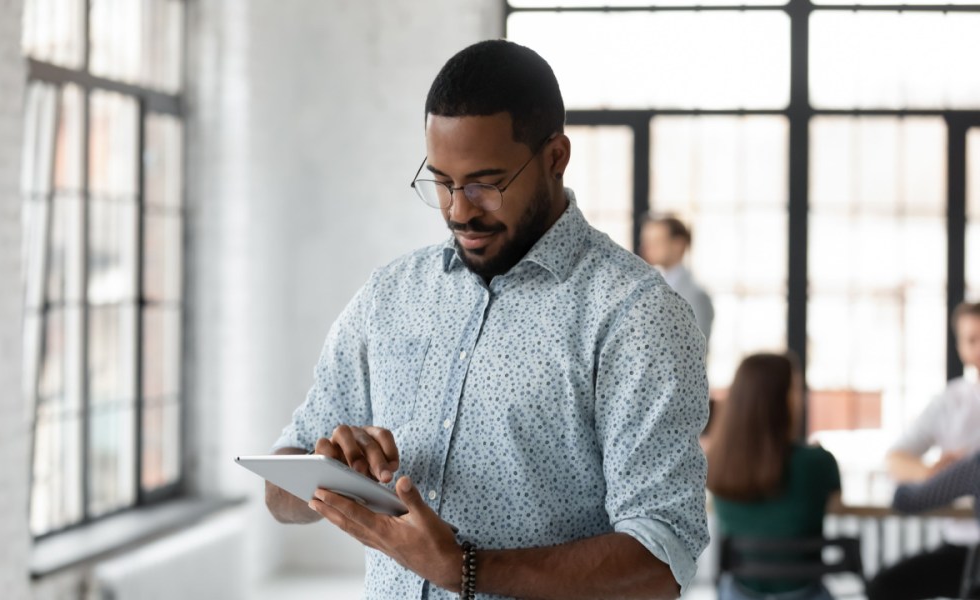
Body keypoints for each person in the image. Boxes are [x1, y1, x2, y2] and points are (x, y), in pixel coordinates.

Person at [263, 40, 710, 600]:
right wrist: (330, 473)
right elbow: (279, 492)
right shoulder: (390, 296)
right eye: (442, 182)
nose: (458, 210)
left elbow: (661, 557)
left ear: (555, 157)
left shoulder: (636, 314)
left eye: (484, 184)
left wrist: (465, 568)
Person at [867, 301, 980, 600]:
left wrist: (948, 479)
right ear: (959, 346)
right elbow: (896, 456)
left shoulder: (974, 466)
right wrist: (934, 473)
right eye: (972, 340)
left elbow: (905, 500)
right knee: (886, 586)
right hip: (962, 546)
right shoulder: (951, 401)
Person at [707, 353, 841, 600]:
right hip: (803, 592)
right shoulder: (818, 462)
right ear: (786, 399)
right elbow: (835, 505)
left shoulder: (718, 462)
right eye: (797, 389)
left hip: (739, 592)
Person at [638, 214, 714, 343]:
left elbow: (694, 346)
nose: (647, 248)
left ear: (678, 244)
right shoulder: (651, 284)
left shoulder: (695, 294)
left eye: (656, 241)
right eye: (646, 241)